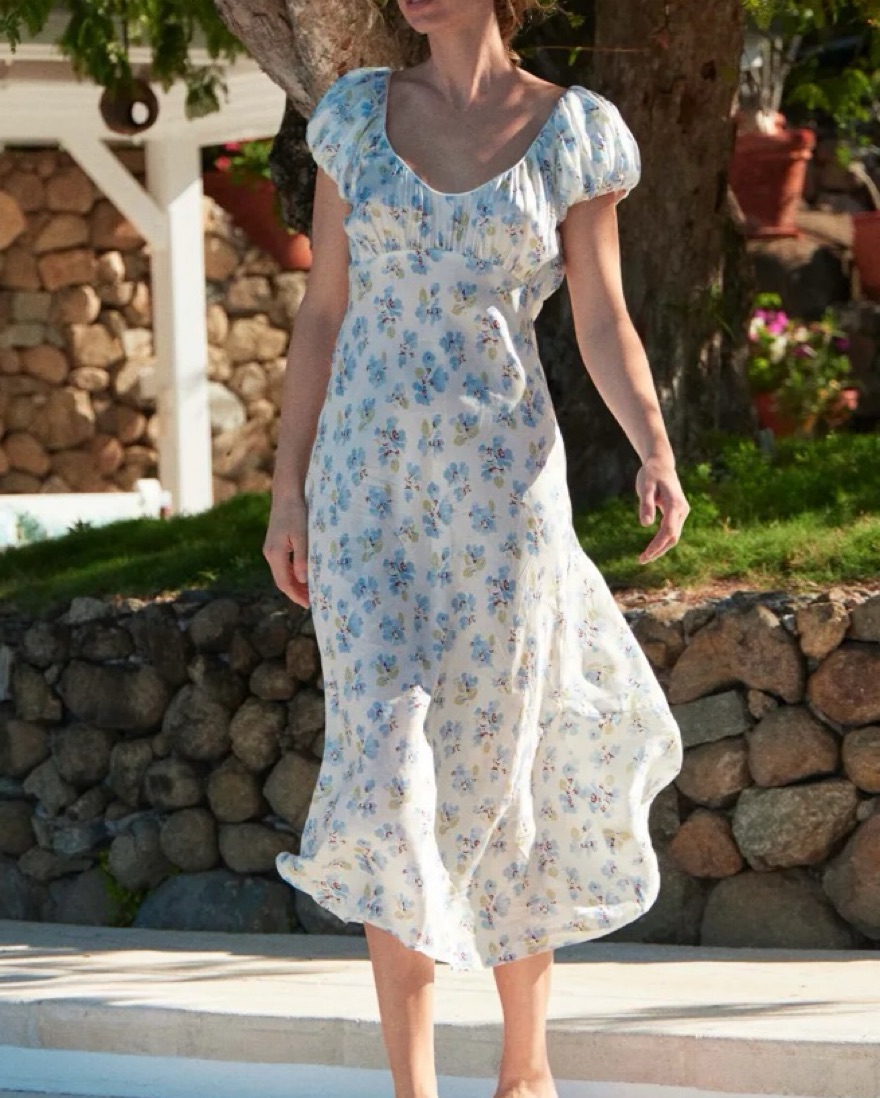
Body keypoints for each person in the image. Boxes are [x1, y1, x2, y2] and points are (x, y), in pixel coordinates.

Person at [265, 1, 688, 1095]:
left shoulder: (574, 131)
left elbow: (602, 316)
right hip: (365, 495)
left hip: (503, 498)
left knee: (505, 761)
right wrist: (287, 489)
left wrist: (653, 445)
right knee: (383, 766)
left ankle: (523, 1072)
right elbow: (323, 310)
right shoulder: (355, 117)